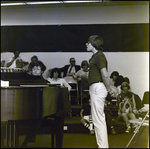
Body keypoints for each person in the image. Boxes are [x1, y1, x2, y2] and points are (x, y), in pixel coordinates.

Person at [86, 35, 114, 148]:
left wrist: (108, 89)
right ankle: (101, 145)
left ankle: (103, 147)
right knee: (97, 119)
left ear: (94, 44)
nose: (86, 44)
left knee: (99, 120)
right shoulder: (95, 56)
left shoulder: (100, 56)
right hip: (94, 88)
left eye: (88, 43)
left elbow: (105, 74)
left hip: (98, 87)